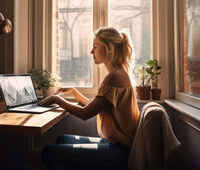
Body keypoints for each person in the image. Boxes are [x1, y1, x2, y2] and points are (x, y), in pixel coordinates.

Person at [38, 27, 140, 170]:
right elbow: (95, 106)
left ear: (109, 48)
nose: (91, 51)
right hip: (112, 145)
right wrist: (74, 92)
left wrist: (57, 100)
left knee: (49, 153)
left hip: (116, 153)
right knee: (62, 139)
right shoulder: (119, 74)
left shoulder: (114, 77)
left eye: (95, 47)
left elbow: (85, 114)